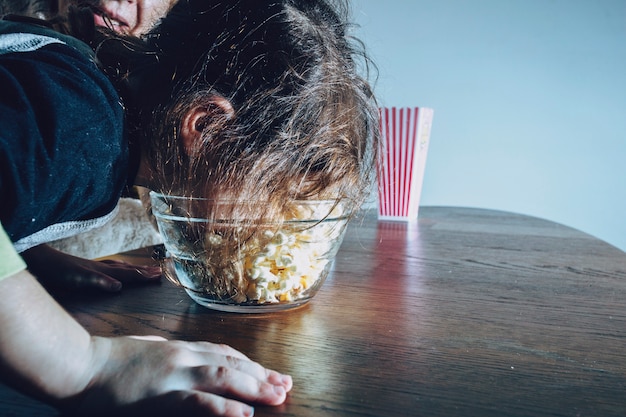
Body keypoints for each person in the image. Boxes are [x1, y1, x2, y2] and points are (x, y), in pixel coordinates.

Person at [0, 0, 379, 415]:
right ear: (207, 128)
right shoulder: (82, 123)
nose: (270, 222)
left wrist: (26, 251)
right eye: (274, 192)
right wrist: (84, 366)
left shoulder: (86, 117)